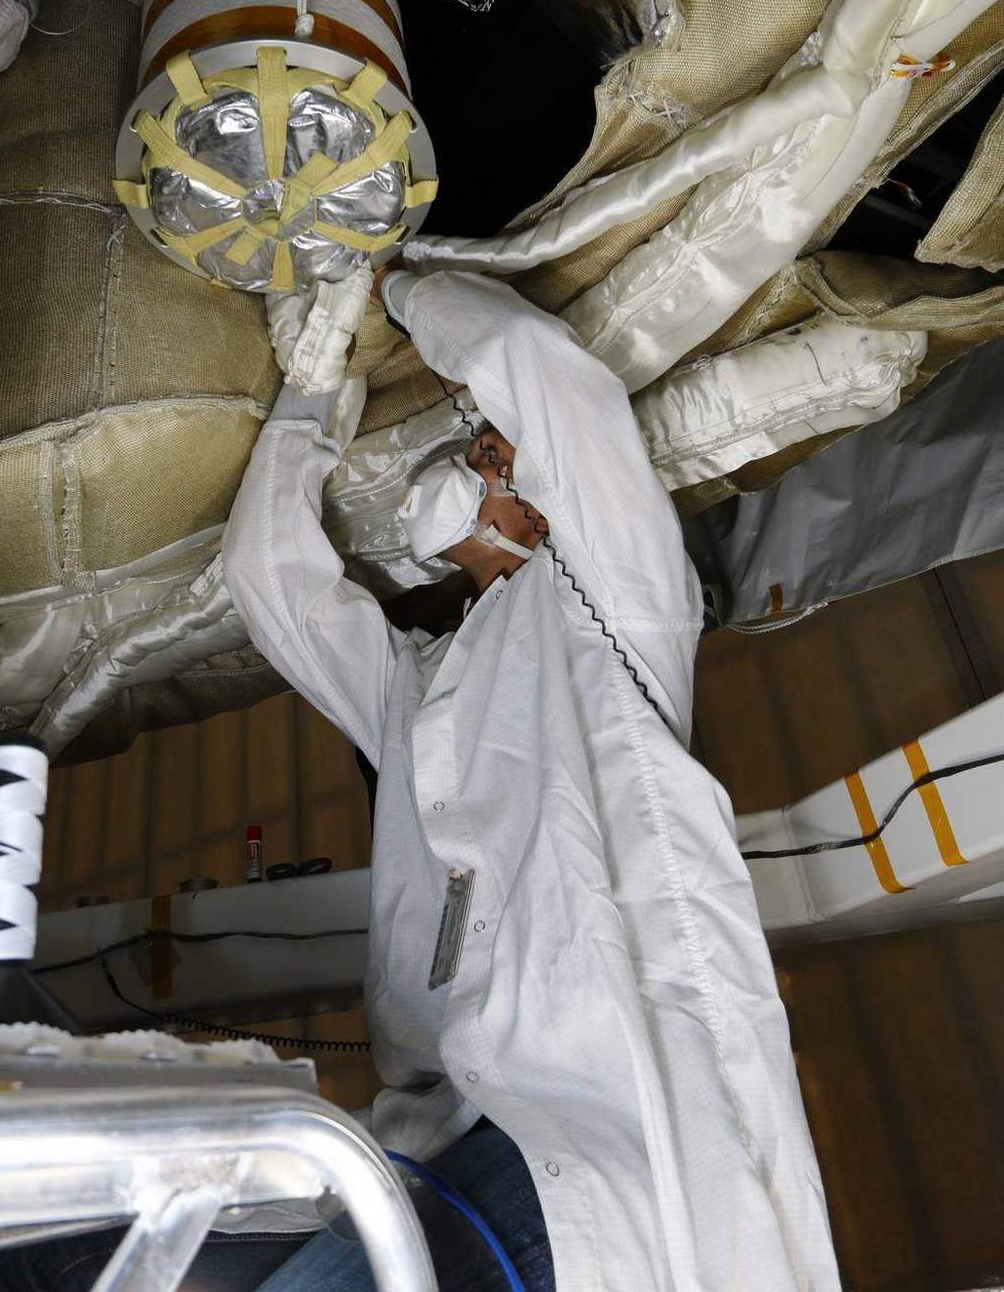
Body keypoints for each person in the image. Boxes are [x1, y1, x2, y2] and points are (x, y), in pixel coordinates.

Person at [219, 264, 841, 1292]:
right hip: (528, 1145)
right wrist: (315, 389)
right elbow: (269, 578)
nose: (481, 454)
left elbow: (550, 380)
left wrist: (396, 288)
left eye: (492, 453)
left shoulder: (616, 598)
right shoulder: (424, 690)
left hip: (531, 1131)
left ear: (546, 504)